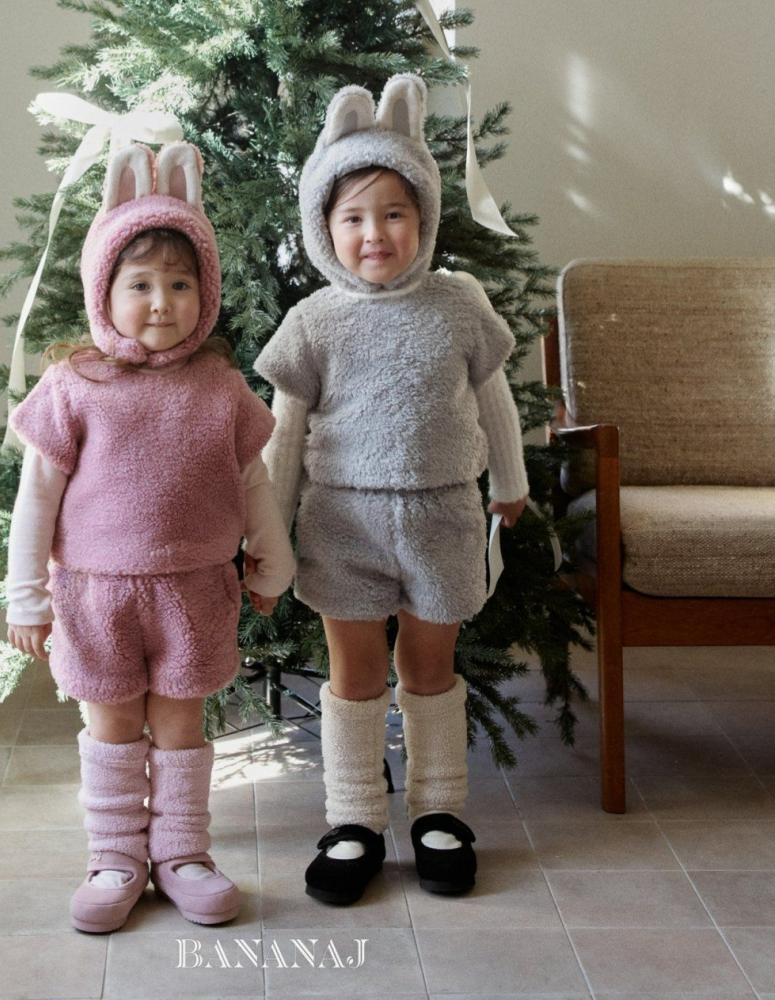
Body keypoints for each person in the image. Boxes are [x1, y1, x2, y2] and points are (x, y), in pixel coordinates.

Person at [5, 141, 294, 933]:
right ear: (104, 293)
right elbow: (36, 501)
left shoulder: (221, 388)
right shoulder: (73, 386)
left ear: (206, 293)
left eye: (180, 284)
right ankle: (115, 857)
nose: (161, 303)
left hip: (195, 591)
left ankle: (183, 854)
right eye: (140, 285)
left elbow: (253, 484)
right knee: (111, 724)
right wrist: (27, 598)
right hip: (96, 595)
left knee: (180, 726)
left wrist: (272, 564)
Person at [254, 74, 529, 906]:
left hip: (443, 514)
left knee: (430, 665)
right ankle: (354, 819)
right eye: (354, 218)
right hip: (342, 521)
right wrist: (268, 529)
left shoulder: (459, 304)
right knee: (355, 669)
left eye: (394, 214)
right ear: (325, 228)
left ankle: (439, 811)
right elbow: (285, 434)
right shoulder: (314, 322)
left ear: (424, 217)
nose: (375, 233)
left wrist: (509, 480)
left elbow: (494, 399)